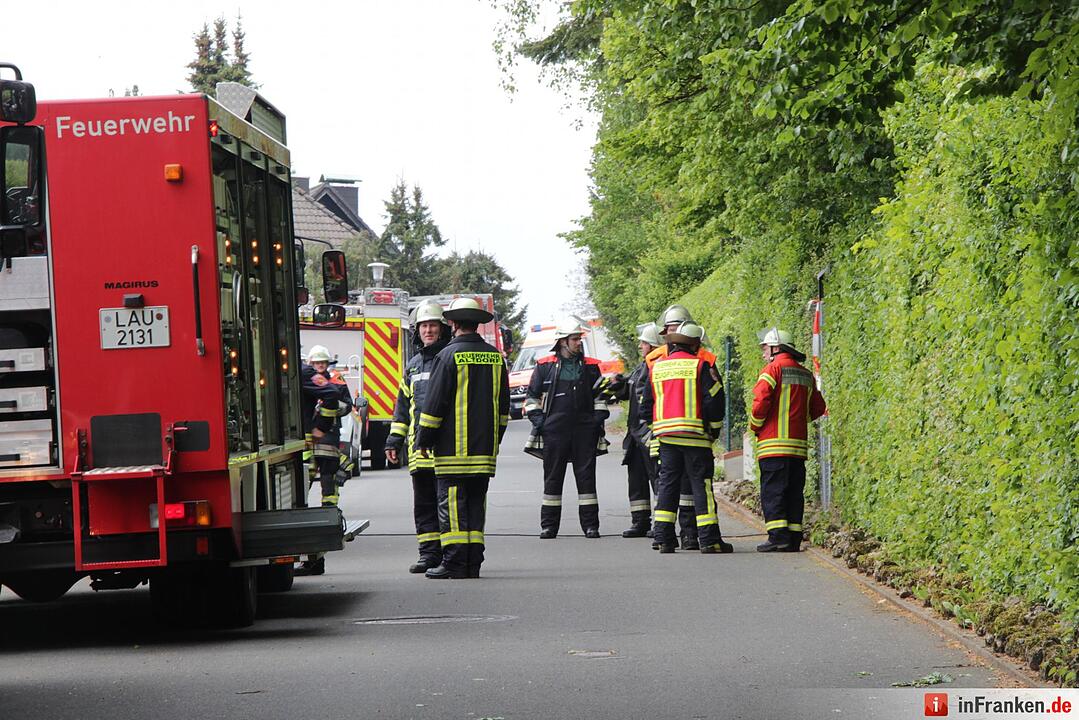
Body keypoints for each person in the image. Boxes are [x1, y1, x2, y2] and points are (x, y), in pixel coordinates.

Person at [415, 298, 510, 579]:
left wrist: (423, 441)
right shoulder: (495, 357)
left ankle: (456, 563)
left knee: (453, 508)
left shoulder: (447, 356)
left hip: (452, 450)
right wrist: (495, 440)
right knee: (476, 505)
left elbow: (434, 406)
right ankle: (473, 563)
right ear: (477, 323)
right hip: (484, 450)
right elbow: (503, 408)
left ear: (453, 323)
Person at [640, 321, 733, 554]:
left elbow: (645, 407)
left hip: (667, 438)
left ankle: (663, 539)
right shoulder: (700, 366)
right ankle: (709, 540)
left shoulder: (656, 368)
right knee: (701, 487)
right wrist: (713, 431)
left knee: (667, 485)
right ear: (693, 345)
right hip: (696, 438)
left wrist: (659, 429)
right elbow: (714, 401)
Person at [523, 319, 610, 539]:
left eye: (579, 339)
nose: (578, 343)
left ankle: (591, 526)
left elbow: (601, 396)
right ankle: (549, 526)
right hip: (555, 431)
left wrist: (597, 420)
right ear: (562, 341)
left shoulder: (591, 366)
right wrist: (540, 422)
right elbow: (532, 397)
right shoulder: (545, 365)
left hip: (584, 430)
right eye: (574, 339)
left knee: (587, 478)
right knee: (553, 478)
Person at [386, 301, 451, 575]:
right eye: (424, 326)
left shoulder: (449, 359)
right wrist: (393, 442)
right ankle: (428, 555)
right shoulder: (412, 367)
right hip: (418, 452)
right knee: (423, 506)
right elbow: (403, 409)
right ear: (417, 331)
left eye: (433, 325)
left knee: (445, 505)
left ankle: (449, 555)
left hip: (446, 449)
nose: (428, 330)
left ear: (442, 329)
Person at [750, 327, 827, 552]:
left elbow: (760, 402)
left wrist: (755, 426)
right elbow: (819, 408)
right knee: (794, 492)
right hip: (797, 448)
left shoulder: (771, 370)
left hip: (773, 446)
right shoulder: (805, 375)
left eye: (765, 347)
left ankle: (777, 537)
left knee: (773, 492)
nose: (763, 352)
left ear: (776, 348)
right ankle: (793, 537)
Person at [610, 322, 662, 538]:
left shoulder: (657, 366)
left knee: (657, 478)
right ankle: (640, 522)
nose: (640, 346)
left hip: (649, 432)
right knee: (637, 479)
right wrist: (618, 384)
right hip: (635, 435)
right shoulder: (643, 366)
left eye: (643, 343)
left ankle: (661, 524)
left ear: (652, 345)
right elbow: (631, 390)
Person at [301, 345, 353, 508]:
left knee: (328, 474)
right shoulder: (307, 377)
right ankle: (301, 507)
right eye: (317, 363)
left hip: (329, 433)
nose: (320, 365)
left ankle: (329, 509)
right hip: (309, 434)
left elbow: (347, 405)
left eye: (323, 362)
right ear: (311, 363)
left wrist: (331, 409)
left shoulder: (336, 380)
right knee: (306, 473)